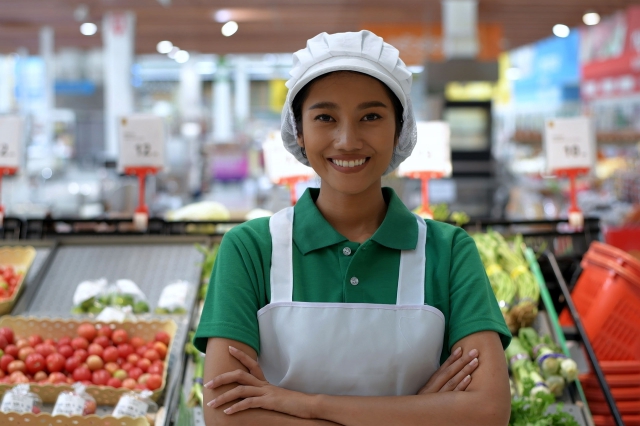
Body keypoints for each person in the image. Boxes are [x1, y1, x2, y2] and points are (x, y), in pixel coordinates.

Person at [194, 30, 512, 426]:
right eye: (325, 117)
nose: (347, 140)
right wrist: (420, 412)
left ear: (400, 129)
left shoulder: (448, 252)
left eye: (371, 117)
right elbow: (226, 416)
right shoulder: (251, 249)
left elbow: (488, 411)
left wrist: (304, 404)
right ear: (299, 131)